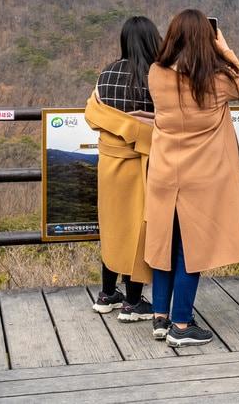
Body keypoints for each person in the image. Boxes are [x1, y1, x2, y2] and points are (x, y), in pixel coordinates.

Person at [144, 9, 239, 346]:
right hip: (201, 178)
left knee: (165, 244)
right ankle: (181, 325)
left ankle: (160, 317)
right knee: (191, 249)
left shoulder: (156, 73)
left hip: (164, 173)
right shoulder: (215, 81)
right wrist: (224, 50)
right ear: (206, 40)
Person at [85, 16, 162, 321]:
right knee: (138, 229)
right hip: (142, 162)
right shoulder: (155, 77)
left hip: (108, 162)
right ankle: (132, 301)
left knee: (112, 225)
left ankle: (106, 294)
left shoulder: (105, 75)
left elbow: (93, 113)